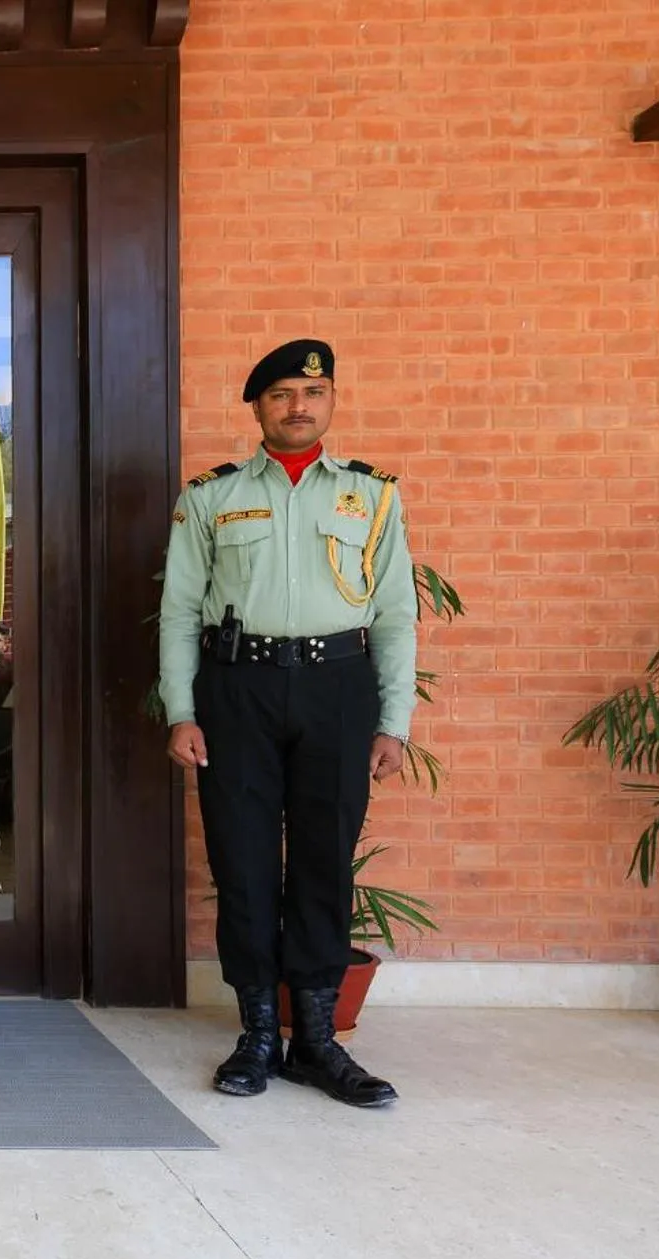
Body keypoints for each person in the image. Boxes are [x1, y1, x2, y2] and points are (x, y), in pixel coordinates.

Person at [158, 339, 416, 1108]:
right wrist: (182, 710)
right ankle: (258, 1033)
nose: (298, 406)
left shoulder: (373, 497)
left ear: (331, 401)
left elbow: (396, 614)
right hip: (238, 687)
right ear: (258, 408)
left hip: (339, 687)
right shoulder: (212, 495)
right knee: (240, 859)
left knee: (323, 859)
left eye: (314, 391)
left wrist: (392, 718)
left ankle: (317, 1040)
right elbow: (178, 610)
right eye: (281, 394)